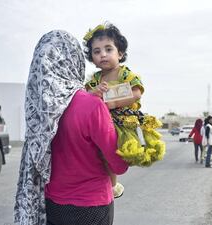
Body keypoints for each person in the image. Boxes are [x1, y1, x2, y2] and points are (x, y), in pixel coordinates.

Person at [14, 30, 129, 225]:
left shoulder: (39, 109)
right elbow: (118, 164)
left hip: (51, 205)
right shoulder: (92, 104)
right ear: (75, 60)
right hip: (91, 207)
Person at [83, 23, 166, 196]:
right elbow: (86, 95)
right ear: (92, 57)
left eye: (108, 49)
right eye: (96, 51)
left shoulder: (124, 74)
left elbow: (136, 93)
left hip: (122, 121)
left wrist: (113, 103)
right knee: (99, 154)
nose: (103, 54)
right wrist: (94, 92)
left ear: (120, 53)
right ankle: (110, 185)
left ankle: (113, 185)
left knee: (114, 152)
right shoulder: (95, 79)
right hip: (102, 120)